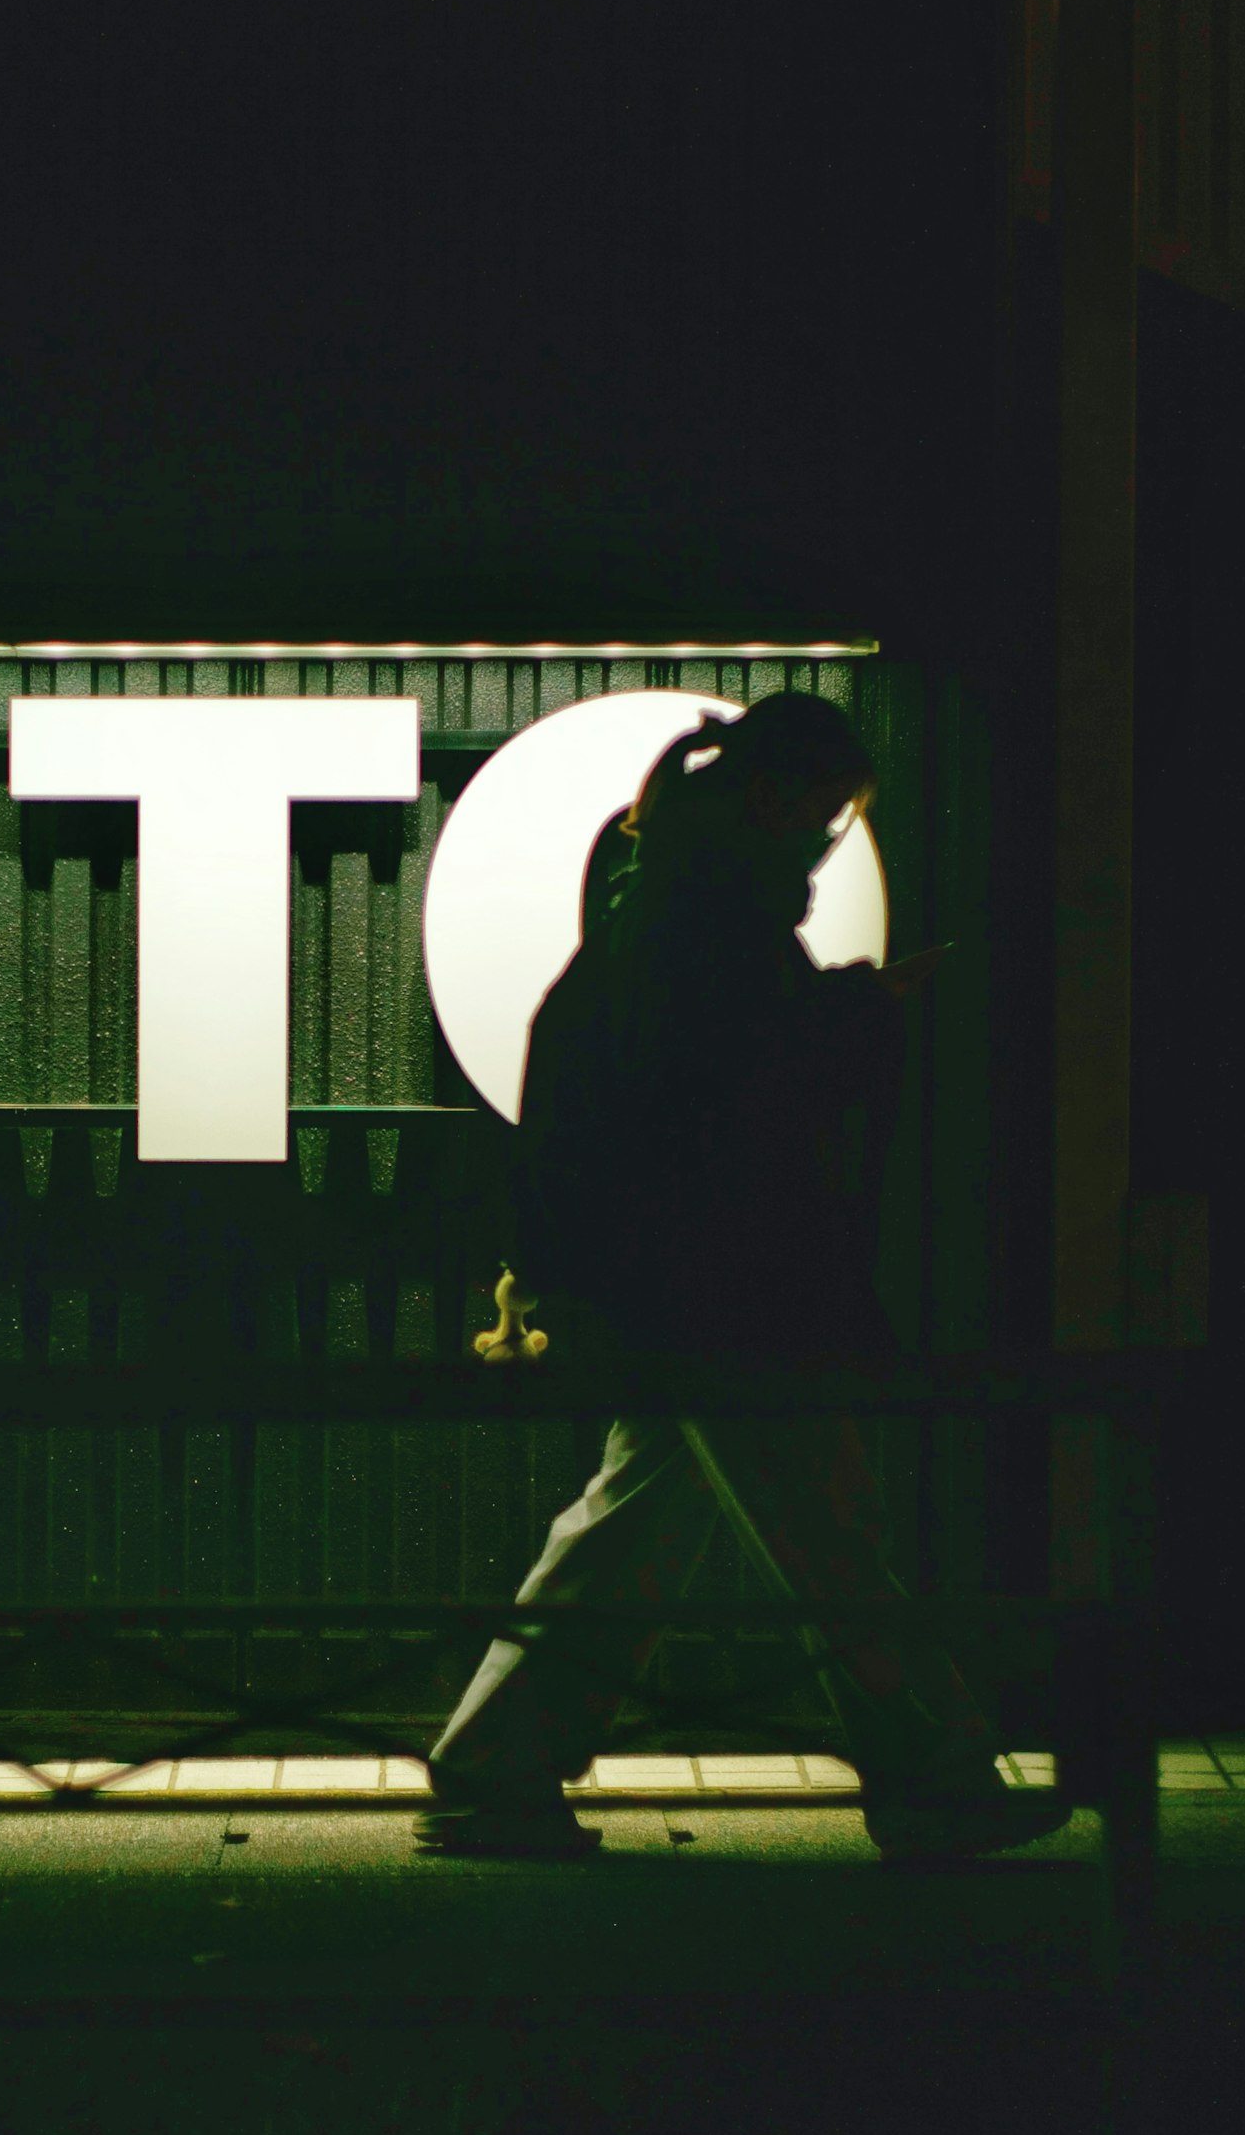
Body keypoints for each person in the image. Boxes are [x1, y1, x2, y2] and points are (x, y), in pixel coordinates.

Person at [418, 691, 1074, 1864]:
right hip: (733, 1284)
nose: (828, 840)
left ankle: (495, 1767)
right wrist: (863, 1013)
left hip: (666, 1282)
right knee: (826, 1534)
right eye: (826, 812)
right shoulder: (714, 912)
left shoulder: (661, 894)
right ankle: (934, 1778)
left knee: (627, 1534)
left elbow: (670, 1078)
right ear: (777, 794)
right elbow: (742, 1088)